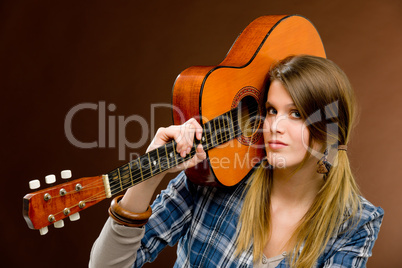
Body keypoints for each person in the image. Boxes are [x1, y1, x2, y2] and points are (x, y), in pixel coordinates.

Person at [89, 55, 384, 268]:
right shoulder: (215, 175)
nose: (275, 126)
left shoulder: (357, 223)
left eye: (296, 114)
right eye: (270, 110)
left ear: (329, 128)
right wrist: (150, 171)